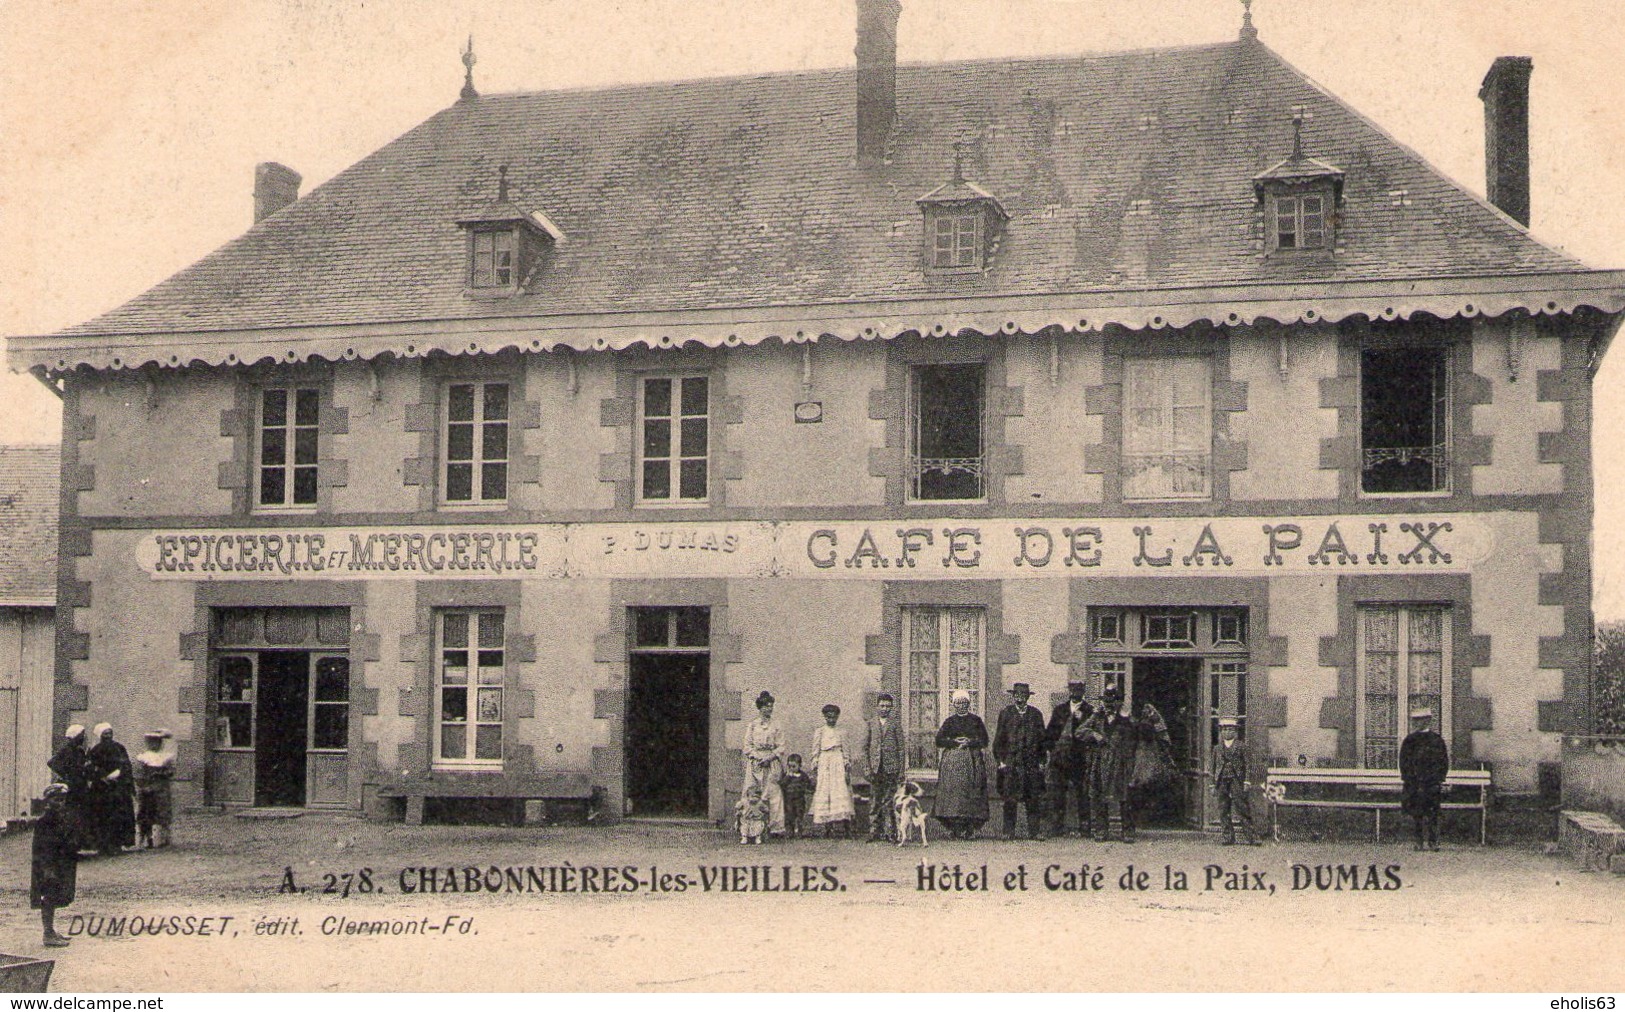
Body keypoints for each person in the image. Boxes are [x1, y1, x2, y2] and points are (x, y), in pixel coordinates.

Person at [993, 682, 1048, 840]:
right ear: (1013, 696)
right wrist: (1001, 761)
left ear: (1028, 697)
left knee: (1033, 798)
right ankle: (1008, 832)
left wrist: (1042, 760)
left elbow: (1042, 740)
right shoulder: (1006, 713)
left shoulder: (1035, 714)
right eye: (1017, 695)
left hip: (1031, 762)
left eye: (1024, 695)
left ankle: (1035, 832)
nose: (1020, 698)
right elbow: (999, 740)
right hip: (1012, 762)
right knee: (1010, 798)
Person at [932, 689, 989, 840]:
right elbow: (939, 740)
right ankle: (954, 829)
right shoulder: (949, 721)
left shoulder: (976, 721)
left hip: (972, 761)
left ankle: (970, 829)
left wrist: (970, 742)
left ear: (969, 704)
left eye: (964, 703)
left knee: (972, 792)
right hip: (953, 763)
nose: (961, 706)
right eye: (958, 703)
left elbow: (985, 740)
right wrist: (953, 742)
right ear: (954, 705)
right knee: (953, 795)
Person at [1045, 680, 1095, 838]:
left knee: (1083, 792)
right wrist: (1052, 750)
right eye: (1073, 690)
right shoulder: (1060, 710)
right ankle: (1057, 827)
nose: (1075, 693)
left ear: (1083, 691)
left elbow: (1092, 733)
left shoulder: (1090, 711)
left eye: (1079, 690)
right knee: (1058, 792)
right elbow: (1050, 733)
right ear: (1069, 691)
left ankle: (1084, 827)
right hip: (1060, 759)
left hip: (1080, 758)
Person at [31, 783, 78, 948]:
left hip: (60, 864)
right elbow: (43, 848)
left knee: (56, 894)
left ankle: (51, 930)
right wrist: (47, 869)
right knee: (49, 897)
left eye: (63, 800)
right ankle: (48, 933)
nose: (61, 803)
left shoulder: (61, 818)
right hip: (49, 865)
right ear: (48, 801)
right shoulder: (45, 821)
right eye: (57, 800)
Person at [1400, 707, 1449, 851]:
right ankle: (1418, 840)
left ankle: (1433, 841)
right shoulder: (1409, 740)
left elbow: (1443, 761)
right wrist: (1409, 779)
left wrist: (1439, 779)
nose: (1417, 723)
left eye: (1421, 719)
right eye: (1415, 720)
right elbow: (1404, 762)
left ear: (1428, 720)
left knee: (1433, 812)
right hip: (1414, 783)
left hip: (1431, 782)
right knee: (1417, 813)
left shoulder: (1436, 740)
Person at [741, 691, 787, 838]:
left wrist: (770, 757)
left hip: (771, 762)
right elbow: (747, 746)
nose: (769, 709)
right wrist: (756, 757)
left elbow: (781, 746)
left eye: (771, 706)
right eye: (766, 706)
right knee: (751, 791)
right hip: (755, 763)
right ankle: (748, 827)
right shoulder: (753, 725)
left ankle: (775, 828)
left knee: (773, 793)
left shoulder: (776, 725)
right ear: (759, 708)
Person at [87, 723, 136, 855]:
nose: (108, 736)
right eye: (105, 734)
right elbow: (91, 768)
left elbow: (126, 764)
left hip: (118, 788)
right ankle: (102, 845)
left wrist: (120, 773)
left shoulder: (119, 748)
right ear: (100, 736)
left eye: (110, 733)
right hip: (101, 789)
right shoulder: (95, 750)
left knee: (118, 816)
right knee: (102, 816)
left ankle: (117, 844)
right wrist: (102, 777)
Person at [864, 693, 905, 842]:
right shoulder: (870, 724)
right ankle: (874, 831)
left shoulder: (895, 724)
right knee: (875, 800)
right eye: (882, 705)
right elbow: (865, 748)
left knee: (889, 801)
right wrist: (867, 769)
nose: (885, 709)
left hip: (891, 768)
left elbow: (901, 749)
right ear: (877, 706)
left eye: (888, 706)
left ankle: (890, 832)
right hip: (876, 769)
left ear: (891, 708)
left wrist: (901, 771)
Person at [809, 704, 855, 838]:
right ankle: (826, 828)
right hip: (824, 763)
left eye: (834, 717)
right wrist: (815, 766)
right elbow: (815, 751)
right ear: (825, 717)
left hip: (838, 762)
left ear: (837, 717)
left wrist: (846, 768)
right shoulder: (820, 732)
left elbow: (846, 752)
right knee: (825, 792)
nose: (831, 720)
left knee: (840, 792)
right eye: (828, 717)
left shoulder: (842, 732)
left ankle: (844, 829)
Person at [1212, 718, 1260, 846]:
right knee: (1223, 809)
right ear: (1221, 731)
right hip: (1222, 780)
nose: (1227, 732)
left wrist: (1247, 781)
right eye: (1224, 729)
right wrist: (1213, 784)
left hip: (1237, 780)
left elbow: (1247, 765)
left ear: (1235, 731)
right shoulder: (1217, 748)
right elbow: (1213, 767)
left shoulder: (1241, 746)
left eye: (1230, 729)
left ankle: (1252, 837)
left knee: (1242, 808)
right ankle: (1228, 837)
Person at [1101, 690, 1138, 842]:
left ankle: (1127, 830)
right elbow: (1081, 731)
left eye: (1114, 701)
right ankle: (1102, 830)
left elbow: (1132, 741)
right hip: (1103, 762)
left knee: (1125, 797)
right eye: (1107, 701)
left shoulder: (1126, 720)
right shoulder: (1097, 717)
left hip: (1122, 762)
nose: (1110, 704)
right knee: (1102, 795)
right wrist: (1095, 736)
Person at [47, 725, 94, 839]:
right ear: (75, 736)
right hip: (72, 786)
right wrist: (66, 774)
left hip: (80, 785)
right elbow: (52, 762)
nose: (83, 738)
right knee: (71, 813)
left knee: (81, 813)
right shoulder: (66, 749)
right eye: (81, 735)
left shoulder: (79, 751)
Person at [133, 729, 176, 849]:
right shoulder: (143, 757)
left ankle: (162, 839)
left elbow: (171, 771)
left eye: (157, 742)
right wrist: (144, 786)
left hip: (161, 789)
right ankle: (146, 838)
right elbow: (138, 774)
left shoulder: (166, 757)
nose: (154, 745)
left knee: (162, 812)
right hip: (147, 789)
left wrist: (163, 773)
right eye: (152, 742)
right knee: (145, 813)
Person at [781, 754, 812, 838]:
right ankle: (789, 832)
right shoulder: (786, 775)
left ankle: (800, 831)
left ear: (800, 765)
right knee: (789, 815)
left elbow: (808, 784)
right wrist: (788, 777)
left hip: (799, 799)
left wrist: (804, 788)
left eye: (794, 766)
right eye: (789, 766)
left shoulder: (803, 775)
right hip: (789, 799)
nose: (791, 768)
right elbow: (782, 785)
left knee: (799, 815)